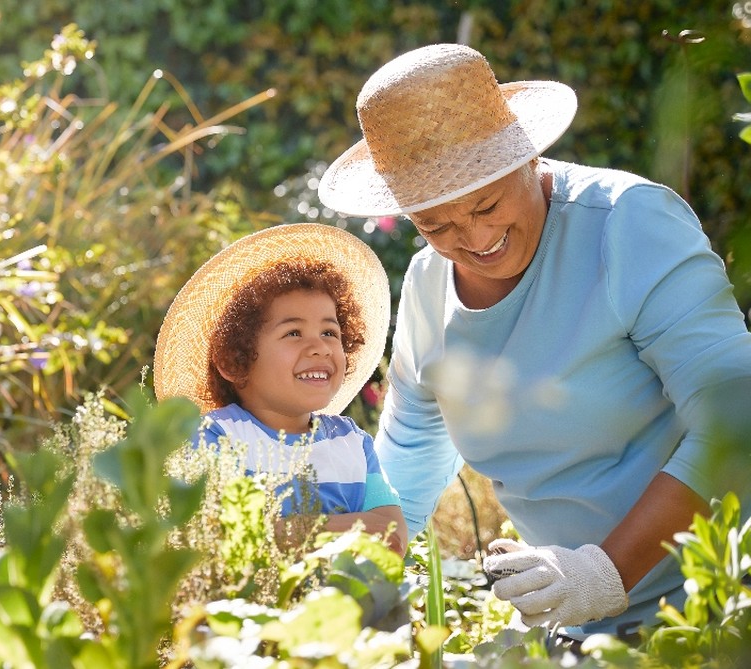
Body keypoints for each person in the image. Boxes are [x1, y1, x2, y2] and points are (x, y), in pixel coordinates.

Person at [316, 42, 751, 642]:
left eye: (487, 204)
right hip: (580, 628)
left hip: (722, 603)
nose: (475, 238)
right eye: (435, 225)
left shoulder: (627, 225)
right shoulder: (426, 286)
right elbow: (412, 450)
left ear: (527, 154)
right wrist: (356, 580)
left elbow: (736, 417)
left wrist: (603, 573)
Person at [153, 224, 408, 556]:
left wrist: (291, 530)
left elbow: (392, 534)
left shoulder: (353, 443)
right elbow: (226, 538)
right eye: (293, 334)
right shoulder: (215, 437)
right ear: (235, 361)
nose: (320, 348)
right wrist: (353, 527)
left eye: (330, 333)